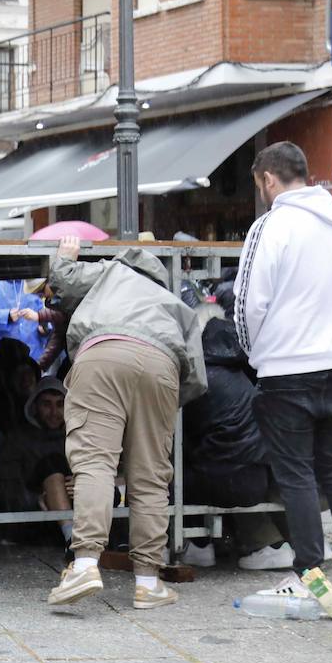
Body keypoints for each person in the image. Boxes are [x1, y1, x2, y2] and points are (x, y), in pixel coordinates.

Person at [235, 141, 332, 616]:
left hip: (289, 366)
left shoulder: (271, 226)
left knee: (295, 473)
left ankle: (311, 573)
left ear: (268, 179)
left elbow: (248, 303)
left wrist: (256, 355)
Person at [45, 238, 207, 611]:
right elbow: (196, 379)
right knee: (150, 476)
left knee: (95, 463)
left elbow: (65, 280)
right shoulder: (175, 305)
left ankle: (85, 564)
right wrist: (158, 410)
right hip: (162, 365)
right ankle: (148, 582)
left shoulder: (109, 272)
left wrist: (64, 256)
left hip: (101, 355)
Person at [180, 307, 291, 570]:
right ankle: (256, 544)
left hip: (226, 480)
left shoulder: (201, 377)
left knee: (174, 475)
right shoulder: (241, 373)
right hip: (258, 477)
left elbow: (183, 435)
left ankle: (197, 546)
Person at [0, 377, 75, 551]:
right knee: (51, 464)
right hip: (34, 522)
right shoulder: (18, 440)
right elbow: (5, 489)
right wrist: (38, 498)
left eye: (60, 404)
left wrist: (83, 485)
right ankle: (71, 539)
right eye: (47, 404)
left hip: (81, 519)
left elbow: (107, 487)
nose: (54, 412)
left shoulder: (76, 439)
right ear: (35, 407)